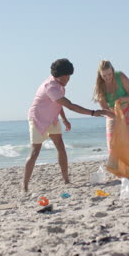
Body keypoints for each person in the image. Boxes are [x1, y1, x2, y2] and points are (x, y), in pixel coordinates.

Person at [24, 58, 111, 192]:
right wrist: (94, 112)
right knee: (35, 152)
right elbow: (70, 105)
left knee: (61, 147)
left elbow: (58, 104)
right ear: (61, 76)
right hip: (37, 118)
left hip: (52, 118)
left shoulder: (59, 85)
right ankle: (24, 186)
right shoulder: (51, 86)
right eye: (68, 76)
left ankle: (66, 180)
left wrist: (64, 119)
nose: (69, 79)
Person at [93, 60, 129, 176]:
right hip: (113, 113)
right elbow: (105, 109)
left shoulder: (120, 76)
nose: (107, 77)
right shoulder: (100, 86)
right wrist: (115, 115)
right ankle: (123, 170)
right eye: (104, 75)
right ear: (100, 75)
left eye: (109, 74)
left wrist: (122, 100)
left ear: (112, 71)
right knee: (114, 143)